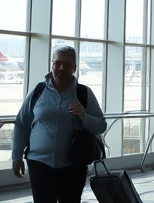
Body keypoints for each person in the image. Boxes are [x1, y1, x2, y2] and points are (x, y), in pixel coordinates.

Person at [11, 46, 106, 203]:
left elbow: (101, 126)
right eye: (57, 63)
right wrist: (16, 157)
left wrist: (83, 115)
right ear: (52, 65)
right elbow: (22, 125)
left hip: (73, 164)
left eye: (67, 64)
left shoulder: (83, 93)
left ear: (74, 68)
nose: (61, 68)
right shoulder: (38, 91)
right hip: (39, 162)